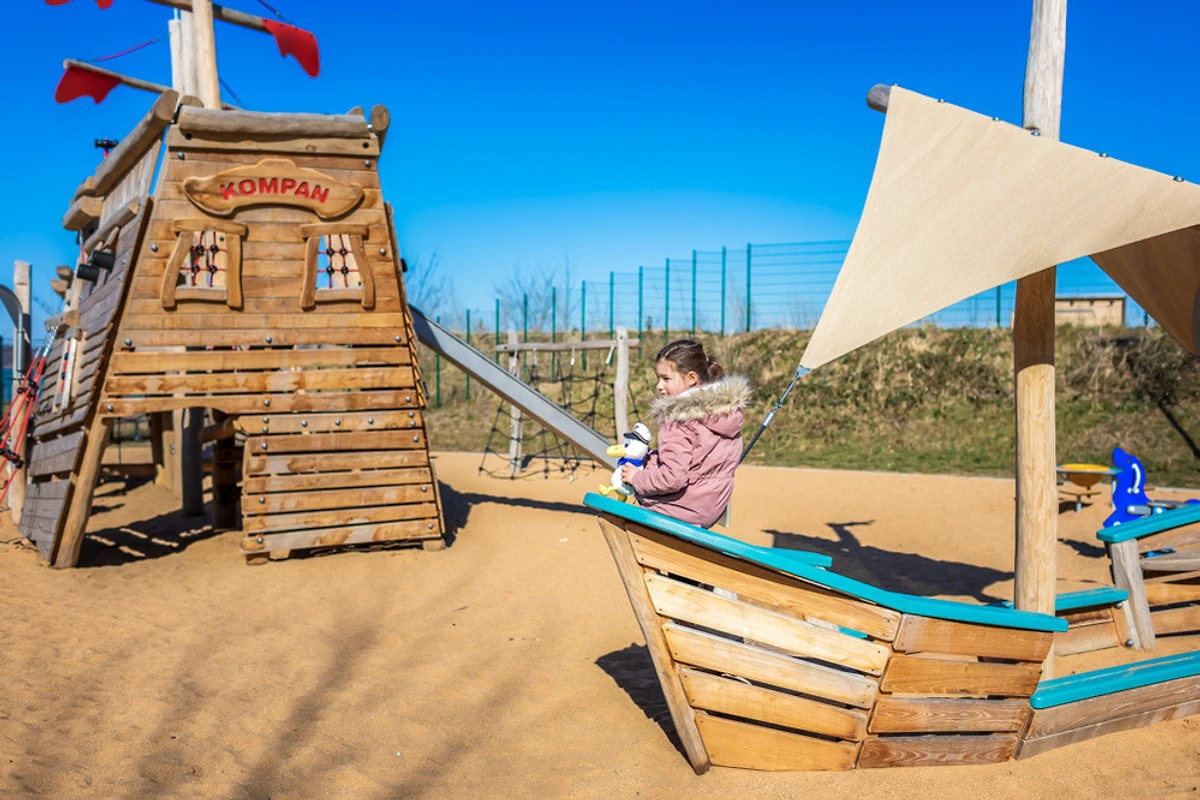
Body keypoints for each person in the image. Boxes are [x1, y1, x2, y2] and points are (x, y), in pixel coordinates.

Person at [621, 340, 749, 528]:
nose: (659, 385)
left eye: (666, 378)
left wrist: (636, 478)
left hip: (680, 508)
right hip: (711, 509)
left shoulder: (678, 419)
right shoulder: (726, 414)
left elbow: (673, 478)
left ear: (691, 378)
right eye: (658, 378)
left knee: (616, 518)